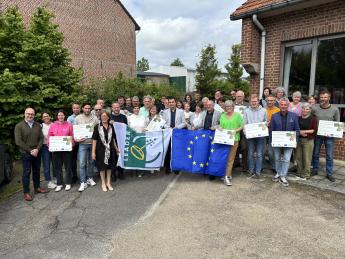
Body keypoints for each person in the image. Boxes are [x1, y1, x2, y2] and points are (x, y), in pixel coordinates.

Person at [15, 108, 48, 201]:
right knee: (26, 172)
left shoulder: (38, 125)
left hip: (37, 152)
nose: (30, 116)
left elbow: (41, 138)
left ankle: (37, 188)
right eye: (28, 114)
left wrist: (37, 149)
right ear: (24, 114)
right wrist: (30, 150)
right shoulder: (19, 126)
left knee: (36, 171)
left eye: (32, 114)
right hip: (26, 153)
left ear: (34, 115)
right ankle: (26, 193)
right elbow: (18, 141)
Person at [270, 97, 300, 187]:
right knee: (277, 158)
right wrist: (272, 141)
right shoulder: (274, 116)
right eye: (281, 104)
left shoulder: (293, 116)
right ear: (279, 105)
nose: (283, 106)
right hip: (277, 142)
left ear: (288, 105)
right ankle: (278, 173)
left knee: (287, 159)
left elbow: (297, 130)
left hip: (289, 142)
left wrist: (295, 140)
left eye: (285, 105)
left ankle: (283, 175)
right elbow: (271, 130)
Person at [311, 90, 340, 182]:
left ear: (329, 98)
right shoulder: (315, 108)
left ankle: (329, 173)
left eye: (325, 97)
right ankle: (315, 170)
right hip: (318, 135)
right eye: (322, 97)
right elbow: (311, 119)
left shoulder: (335, 109)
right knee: (315, 153)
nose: (323, 99)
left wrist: (337, 133)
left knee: (329, 155)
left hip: (329, 136)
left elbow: (337, 123)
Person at [92, 111, 119, 192]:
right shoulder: (97, 127)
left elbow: (113, 139)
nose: (104, 117)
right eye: (102, 116)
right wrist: (93, 152)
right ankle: (103, 183)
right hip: (100, 150)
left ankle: (108, 183)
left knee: (109, 167)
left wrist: (117, 149)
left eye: (105, 116)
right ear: (100, 117)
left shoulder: (111, 127)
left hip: (111, 150)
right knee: (102, 167)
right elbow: (94, 140)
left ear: (108, 117)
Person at [48, 110, 74, 192]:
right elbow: (50, 136)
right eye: (59, 115)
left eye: (62, 115)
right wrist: (50, 145)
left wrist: (71, 144)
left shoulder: (69, 125)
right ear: (57, 116)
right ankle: (59, 184)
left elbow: (72, 136)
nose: (60, 117)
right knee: (57, 167)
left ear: (64, 116)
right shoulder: (53, 125)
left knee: (68, 167)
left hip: (67, 150)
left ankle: (68, 183)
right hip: (56, 150)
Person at [75, 103, 99, 192]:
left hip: (92, 143)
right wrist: (77, 138)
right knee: (81, 163)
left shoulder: (95, 118)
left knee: (92, 162)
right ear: (82, 109)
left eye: (89, 108)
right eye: (86, 108)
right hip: (83, 144)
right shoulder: (78, 118)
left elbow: (97, 130)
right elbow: (75, 131)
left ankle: (90, 178)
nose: (87, 110)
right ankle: (83, 182)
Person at [220, 100, 243, 186]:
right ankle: (227, 174)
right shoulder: (222, 116)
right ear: (225, 108)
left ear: (233, 107)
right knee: (225, 158)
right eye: (227, 106)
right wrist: (219, 128)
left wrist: (235, 131)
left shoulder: (237, 115)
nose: (229, 108)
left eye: (231, 106)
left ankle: (226, 176)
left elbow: (242, 126)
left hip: (234, 139)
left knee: (230, 159)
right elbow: (221, 126)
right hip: (224, 140)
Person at [244, 94, 267, 178]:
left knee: (259, 154)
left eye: (255, 101)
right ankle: (251, 170)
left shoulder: (264, 110)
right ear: (250, 102)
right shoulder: (246, 111)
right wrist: (246, 133)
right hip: (250, 136)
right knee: (250, 153)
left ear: (258, 102)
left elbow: (265, 122)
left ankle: (258, 172)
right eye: (252, 101)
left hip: (261, 136)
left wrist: (265, 126)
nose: (254, 103)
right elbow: (244, 123)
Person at [162, 97, 186, 174]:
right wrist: (168, 127)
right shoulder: (165, 112)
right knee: (168, 151)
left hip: (177, 134)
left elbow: (184, 123)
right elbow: (163, 123)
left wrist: (177, 127)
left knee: (177, 151)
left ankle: (176, 167)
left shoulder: (181, 111)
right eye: (170, 102)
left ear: (175, 103)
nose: (171, 103)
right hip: (168, 134)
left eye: (173, 102)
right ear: (168, 103)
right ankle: (168, 167)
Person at [295, 103, 318, 180]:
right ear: (301, 109)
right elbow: (294, 128)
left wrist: (304, 131)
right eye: (304, 108)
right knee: (298, 157)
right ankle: (299, 173)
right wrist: (300, 132)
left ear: (310, 110)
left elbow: (314, 130)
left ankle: (306, 174)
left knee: (306, 158)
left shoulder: (313, 119)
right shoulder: (298, 118)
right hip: (298, 140)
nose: (305, 110)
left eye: (307, 109)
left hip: (308, 140)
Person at [110, 102, 127, 180]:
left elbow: (126, 128)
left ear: (120, 108)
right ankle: (113, 174)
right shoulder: (109, 117)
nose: (116, 109)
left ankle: (121, 172)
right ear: (112, 108)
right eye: (115, 107)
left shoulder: (123, 117)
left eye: (118, 107)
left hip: (121, 139)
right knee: (112, 157)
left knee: (120, 156)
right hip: (111, 140)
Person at [40, 112, 56, 189]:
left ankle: (55, 178)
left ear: (50, 117)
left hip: (54, 146)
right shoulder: (41, 126)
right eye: (44, 116)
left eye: (47, 116)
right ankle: (48, 181)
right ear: (42, 118)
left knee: (55, 163)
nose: (46, 117)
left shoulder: (54, 125)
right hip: (45, 147)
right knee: (46, 164)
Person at [235, 90, 249, 172]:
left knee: (244, 147)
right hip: (235, 129)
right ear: (235, 96)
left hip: (244, 129)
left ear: (243, 97)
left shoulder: (247, 105)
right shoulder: (232, 105)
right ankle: (236, 163)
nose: (239, 97)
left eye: (240, 96)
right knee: (235, 146)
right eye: (237, 96)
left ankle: (244, 165)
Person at [265, 95, 280, 173]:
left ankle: (274, 166)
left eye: (271, 100)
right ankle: (262, 166)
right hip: (263, 133)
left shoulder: (278, 110)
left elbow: (279, 122)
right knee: (262, 151)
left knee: (271, 152)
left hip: (273, 133)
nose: (270, 102)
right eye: (268, 100)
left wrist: (270, 123)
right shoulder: (263, 110)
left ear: (274, 101)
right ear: (266, 101)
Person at [67, 103, 80, 184]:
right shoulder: (69, 119)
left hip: (82, 142)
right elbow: (68, 131)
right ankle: (74, 176)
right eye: (74, 108)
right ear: (72, 109)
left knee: (82, 160)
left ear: (79, 109)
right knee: (73, 160)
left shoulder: (82, 116)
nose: (76, 109)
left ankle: (84, 175)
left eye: (77, 108)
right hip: (73, 143)